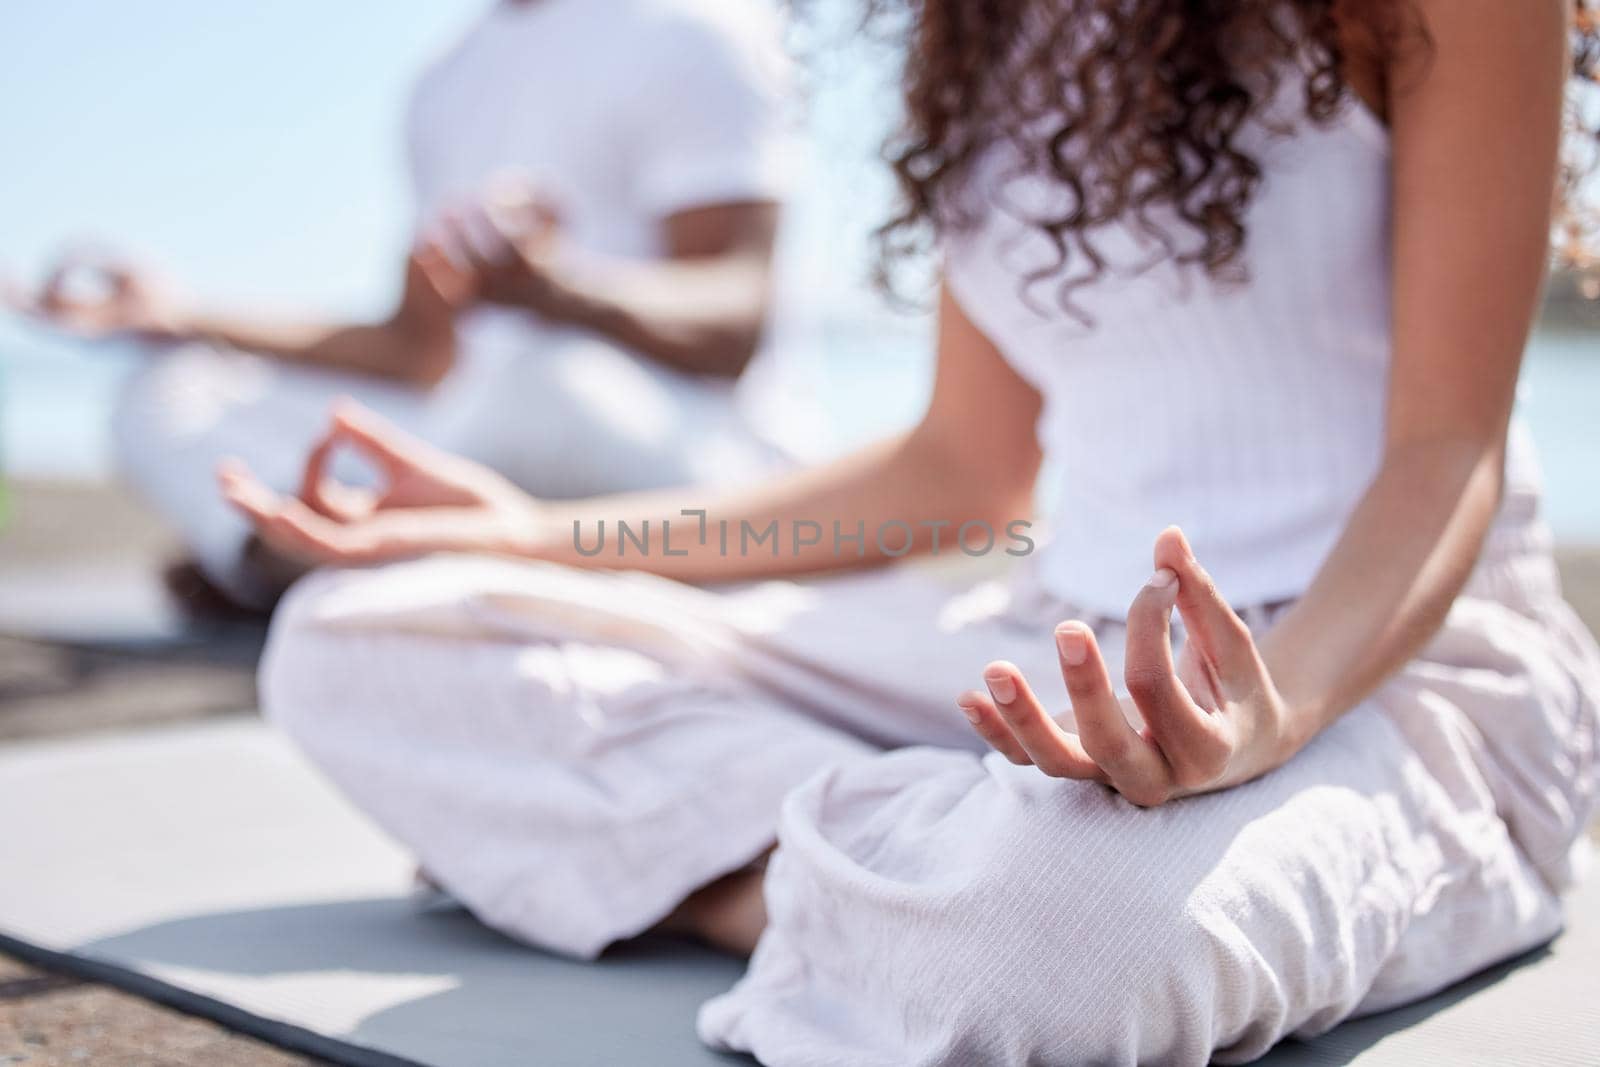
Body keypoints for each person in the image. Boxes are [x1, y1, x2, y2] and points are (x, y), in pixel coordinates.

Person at [229, 0, 1599, 1063]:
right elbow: (956, 475)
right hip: (1047, 637)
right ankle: (883, 879)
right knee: (365, 634)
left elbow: (1445, 451)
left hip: (1376, 670)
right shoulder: (987, 34)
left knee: (1060, 934)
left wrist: (1267, 716)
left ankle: (737, 866)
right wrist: (538, 536)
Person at [10, 0, 801, 607]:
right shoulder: (446, 80)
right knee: (169, 388)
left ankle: (369, 560)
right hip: (475, 434)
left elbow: (735, 317)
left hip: (680, 451)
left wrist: (558, 288)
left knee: (541, 378)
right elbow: (417, 351)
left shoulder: (693, 24)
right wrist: (180, 314)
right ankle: (304, 562)